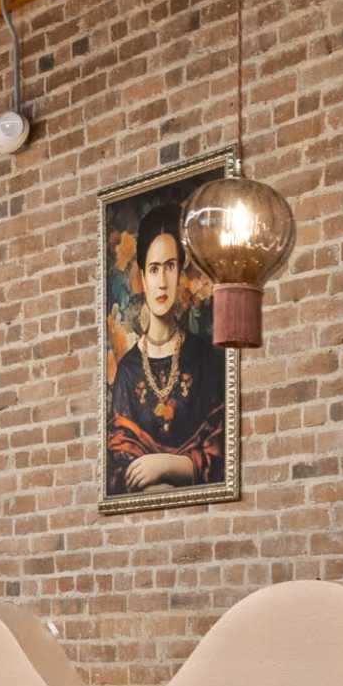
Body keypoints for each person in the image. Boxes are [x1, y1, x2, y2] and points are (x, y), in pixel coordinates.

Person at [105, 204, 225, 496]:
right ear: (142, 278)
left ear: (180, 272)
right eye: (154, 269)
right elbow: (120, 466)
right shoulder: (129, 369)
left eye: (170, 266)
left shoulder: (204, 358)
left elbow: (220, 452)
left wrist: (166, 465)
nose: (162, 282)